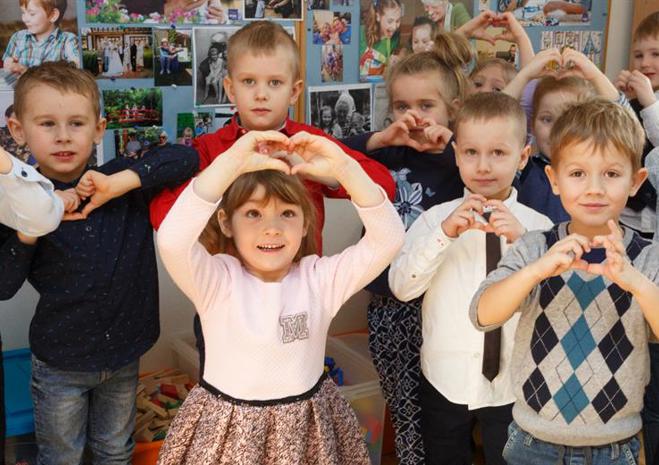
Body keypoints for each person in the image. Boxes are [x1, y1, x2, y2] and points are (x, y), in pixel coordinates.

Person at [148, 20, 395, 386]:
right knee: (225, 388)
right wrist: (221, 180)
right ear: (229, 88)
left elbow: (384, 185)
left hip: (300, 296)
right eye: (249, 82)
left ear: (294, 91)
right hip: (224, 297)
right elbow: (162, 214)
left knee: (297, 380)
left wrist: (327, 173)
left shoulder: (309, 143)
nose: (261, 94)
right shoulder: (211, 149)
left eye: (274, 83)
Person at [156, 126, 404, 464]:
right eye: (253, 213)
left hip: (306, 432)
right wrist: (229, 163)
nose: (271, 228)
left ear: (305, 224)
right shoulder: (215, 280)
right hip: (229, 434)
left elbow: (388, 238)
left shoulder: (320, 280)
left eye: (287, 213)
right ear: (226, 223)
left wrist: (345, 168)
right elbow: (172, 239)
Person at [0, 61, 198, 465]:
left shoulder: (119, 179)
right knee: (61, 457)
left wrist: (122, 181)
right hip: (60, 363)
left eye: (76, 123)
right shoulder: (17, 205)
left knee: (114, 450)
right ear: (18, 130)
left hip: (125, 351)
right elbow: (4, 285)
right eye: (47, 124)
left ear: (99, 128)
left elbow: (185, 158)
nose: (63, 136)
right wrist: (32, 225)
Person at [470, 99, 657, 465]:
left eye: (611, 174)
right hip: (530, 442)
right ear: (554, 180)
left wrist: (635, 282)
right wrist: (535, 271)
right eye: (577, 173)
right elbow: (482, 314)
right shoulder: (534, 247)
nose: (594, 188)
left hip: (614, 447)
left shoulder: (648, 258)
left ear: (636, 182)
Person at [389, 92, 552, 465]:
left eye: (498, 153)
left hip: (515, 386)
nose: (483, 166)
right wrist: (443, 235)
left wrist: (524, 243)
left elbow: (554, 304)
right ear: (457, 154)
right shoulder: (434, 220)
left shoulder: (540, 228)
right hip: (445, 379)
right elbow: (402, 288)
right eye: (471, 153)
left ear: (523, 156)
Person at [339, 32, 471, 465]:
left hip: (443, 304)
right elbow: (331, 155)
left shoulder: (463, 161)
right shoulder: (386, 155)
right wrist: (381, 139)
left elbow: (499, 178)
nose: (413, 116)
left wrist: (453, 148)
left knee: (445, 412)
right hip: (389, 306)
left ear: (452, 109)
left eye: (426, 105)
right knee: (405, 409)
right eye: (401, 106)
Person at [504, 48, 627, 224]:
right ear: (532, 125)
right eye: (547, 119)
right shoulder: (521, 165)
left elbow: (627, 126)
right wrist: (524, 76)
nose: (557, 129)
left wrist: (596, 76)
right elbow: (492, 123)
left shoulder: (599, 168)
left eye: (568, 118)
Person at [614, 11, 659, 463]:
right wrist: (624, 102)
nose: (646, 63)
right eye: (639, 55)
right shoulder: (630, 104)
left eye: (656, 55)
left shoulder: (652, 108)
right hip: (626, 239)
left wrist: (649, 105)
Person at [2, 0, 80, 75]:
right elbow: (6, 66)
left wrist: (26, 71)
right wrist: (8, 63)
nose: (24, 19)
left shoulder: (68, 41)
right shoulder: (17, 38)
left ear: (53, 15)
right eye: (23, 12)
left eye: (32, 14)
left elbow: (76, 70)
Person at [359, 0, 402, 80]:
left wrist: (393, 64)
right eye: (390, 21)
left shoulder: (395, 38)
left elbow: (386, 72)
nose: (394, 27)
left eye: (398, 21)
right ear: (378, 16)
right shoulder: (359, 33)